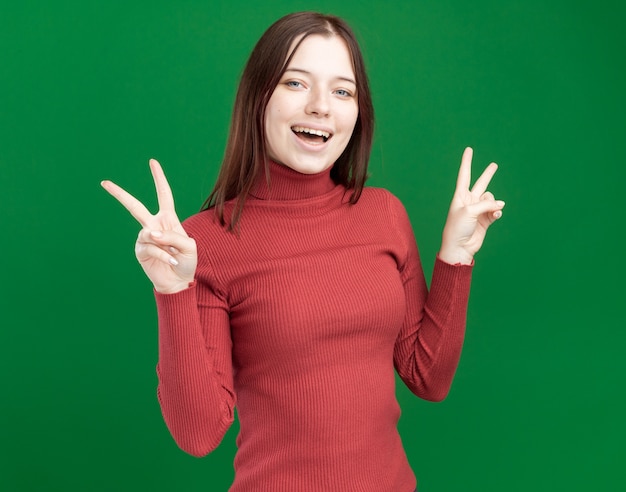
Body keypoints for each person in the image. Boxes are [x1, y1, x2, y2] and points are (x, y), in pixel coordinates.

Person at [101, 11, 504, 492]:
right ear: (258, 97)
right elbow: (199, 433)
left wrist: (455, 259)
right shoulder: (203, 241)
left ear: (359, 112)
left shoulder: (385, 214)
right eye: (296, 83)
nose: (321, 107)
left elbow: (426, 377)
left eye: (342, 91)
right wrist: (173, 289)